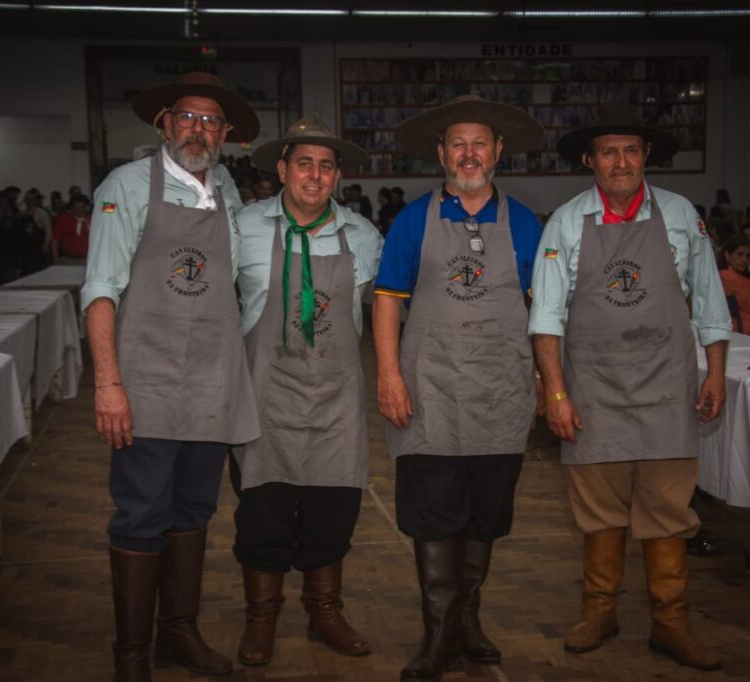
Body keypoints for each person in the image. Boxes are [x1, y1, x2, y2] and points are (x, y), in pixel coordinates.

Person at [530, 104, 731, 671]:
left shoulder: (681, 214)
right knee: (600, 510)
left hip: (667, 389)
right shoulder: (566, 222)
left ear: (646, 157)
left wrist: (715, 370)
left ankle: (672, 623)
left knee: (668, 509)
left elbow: (710, 301)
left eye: (631, 151)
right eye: (608, 152)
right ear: (589, 161)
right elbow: (546, 317)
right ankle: (599, 612)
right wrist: (556, 393)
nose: (621, 162)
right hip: (594, 391)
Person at [81, 71, 262, 681]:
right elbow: (100, 289)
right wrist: (109, 383)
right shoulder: (126, 186)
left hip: (212, 382)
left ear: (225, 133)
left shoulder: (227, 190)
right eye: (186, 116)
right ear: (165, 123)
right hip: (148, 382)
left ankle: (178, 634)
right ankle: (131, 655)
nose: (197, 129)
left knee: (193, 510)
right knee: (141, 513)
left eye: (210, 121)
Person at [373, 95, 544, 681]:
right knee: (432, 517)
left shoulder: (525, 224)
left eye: (480, 144)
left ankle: (468, 621)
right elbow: (387, 302)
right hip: (431, 394)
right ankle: (438, 635)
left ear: (498, 151)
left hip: (499, 395)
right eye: (458, 144)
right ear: (442, 154)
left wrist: (546, 380)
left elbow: (543, 311)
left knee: (483, 517)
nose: (469, 154)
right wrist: (389, 376)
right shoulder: (410, 221)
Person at [231, 113, 383, 667]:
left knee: (332, 512)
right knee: (263, 514)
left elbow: (388, 311)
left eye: (325, 166)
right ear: (282, 169)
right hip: (264, 399)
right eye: (303, 164)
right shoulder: (242, 227)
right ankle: (261, 618)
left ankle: (324, 612)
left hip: (336, 401)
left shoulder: (364, 236)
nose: (314, 176)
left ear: (337, 175)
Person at [51, 193, 92, 265]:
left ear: (86, 207)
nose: (79, 210)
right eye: (77, 207)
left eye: (82, 207)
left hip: (88, 260)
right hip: (68, 260)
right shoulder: (63, 220)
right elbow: (55, 241)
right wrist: (56, 258)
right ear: (72, 207)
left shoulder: (92, 220)